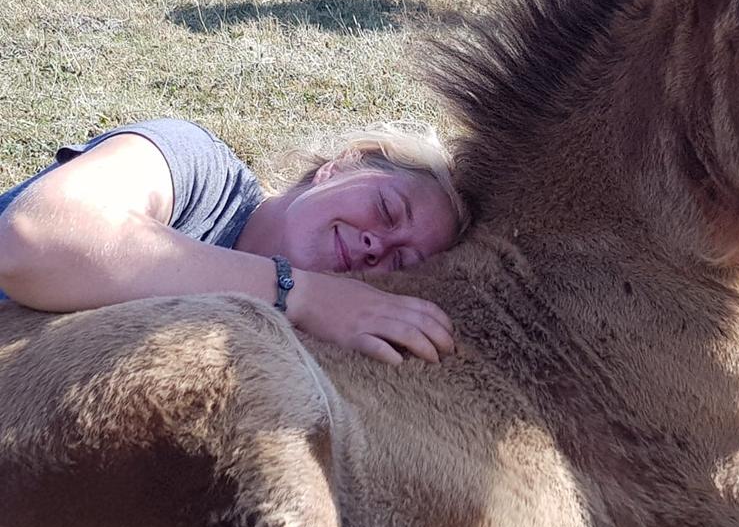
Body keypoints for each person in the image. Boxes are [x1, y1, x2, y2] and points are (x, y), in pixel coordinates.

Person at [0, 118, 469, 365]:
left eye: (401, 262)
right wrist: (299, 292)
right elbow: (31, 241)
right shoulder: (197, 168)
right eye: (386, 209)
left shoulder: (306, 342)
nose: (376, 247)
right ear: (343, 165)